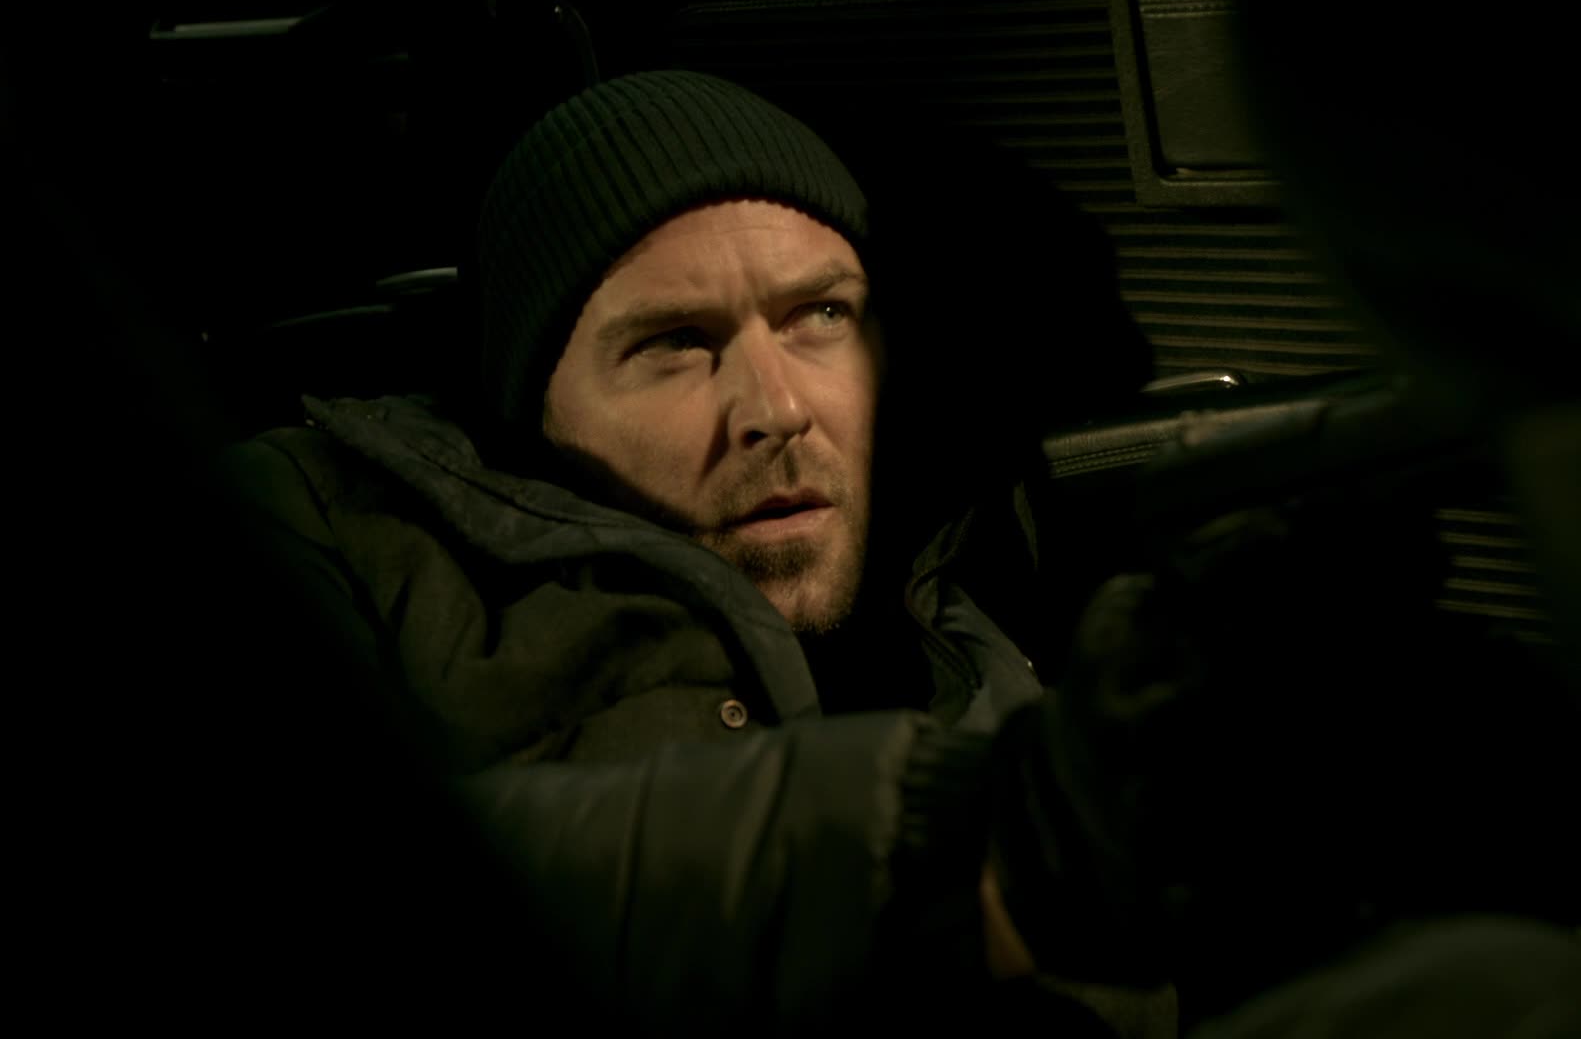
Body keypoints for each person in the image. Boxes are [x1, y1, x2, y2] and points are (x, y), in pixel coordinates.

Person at [220, 68, 1179, 1036]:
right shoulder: (327, 518)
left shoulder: (979, 535)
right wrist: (947, 847)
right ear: (533, 401)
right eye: (675, 342)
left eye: (820, 315)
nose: (778, 408)